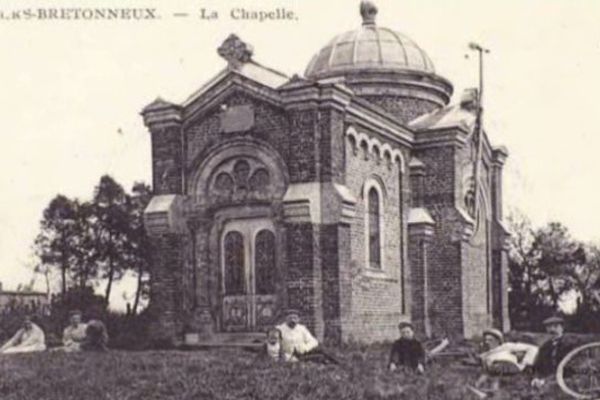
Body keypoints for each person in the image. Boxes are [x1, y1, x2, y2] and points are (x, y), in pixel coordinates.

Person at [470, 328, 538, 395]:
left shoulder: (506, 346)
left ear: (498, 340)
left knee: (495, 368)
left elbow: (532, 348)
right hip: (496, 368)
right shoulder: (486, 354)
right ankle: (484, 388)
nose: (487, 342)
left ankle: (485, 387)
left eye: (490, 340)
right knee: (489, 371)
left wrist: (526, 362)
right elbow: (485, 366)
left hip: (510, 365)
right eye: (486, 340)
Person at [531, 315, 575, 390]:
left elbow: (571, 367)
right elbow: (537, 366)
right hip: (546, 378)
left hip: (565, 379)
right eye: (549, 327)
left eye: (555, 326)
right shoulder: (544, 347)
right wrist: (536, 378)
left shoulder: (570, 344)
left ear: (562, 328)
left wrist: (548, 380)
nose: (552, 329)